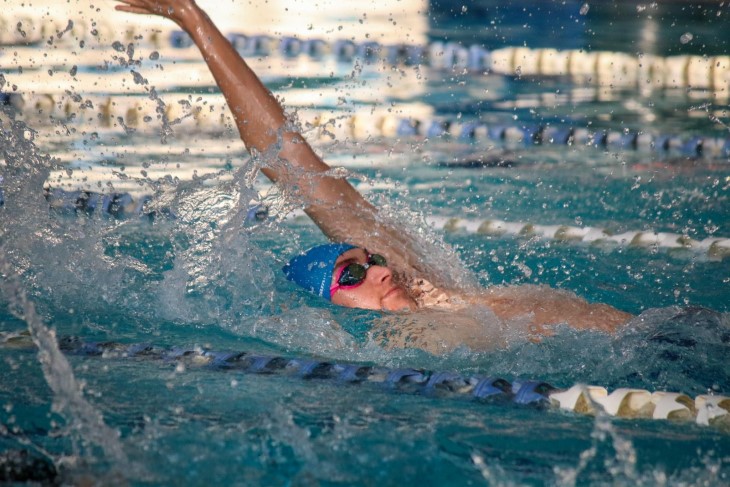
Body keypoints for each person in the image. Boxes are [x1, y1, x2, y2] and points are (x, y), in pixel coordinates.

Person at [114, 0, 632, 351]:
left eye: (372, 260)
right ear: (329, 309)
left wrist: (192, 18)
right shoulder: (394, 349)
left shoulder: (434, 291)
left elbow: (286, 159)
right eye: (354, 274)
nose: (382, 269)